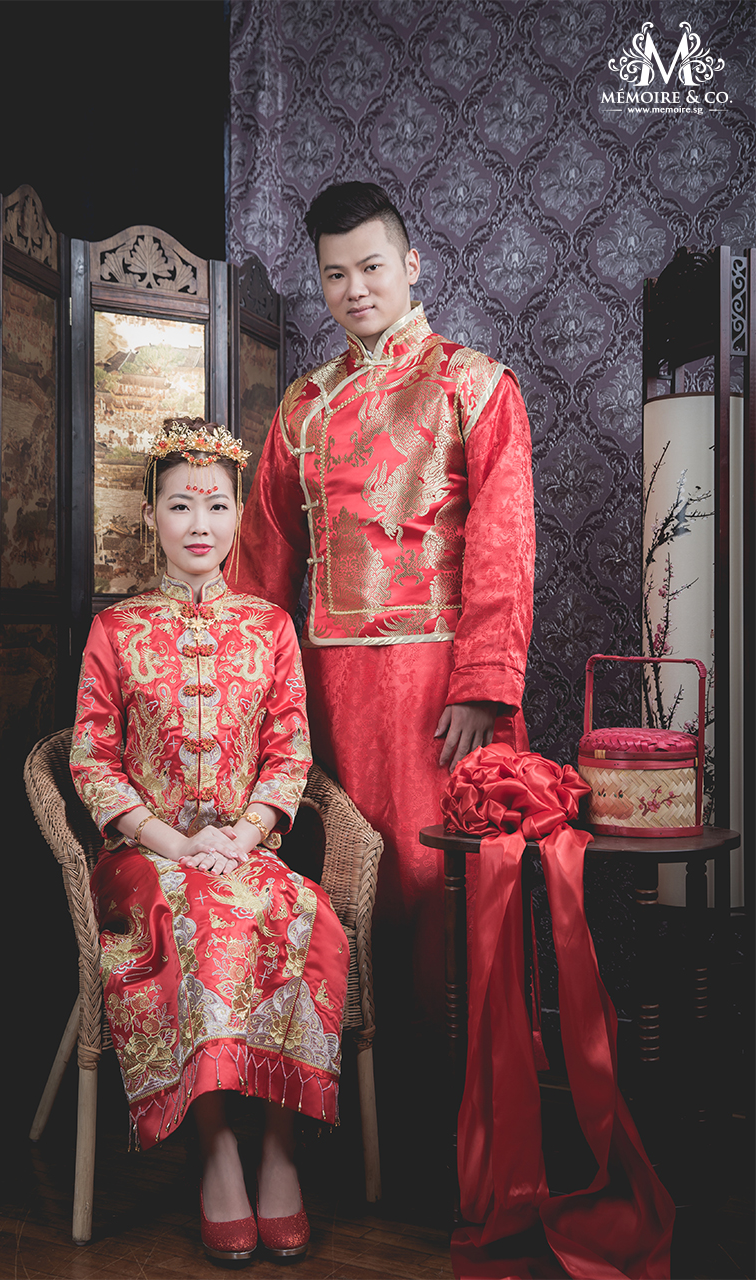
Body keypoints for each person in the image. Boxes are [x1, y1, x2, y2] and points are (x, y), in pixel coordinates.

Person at [228, 181, 535, 1033]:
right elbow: (260, 561)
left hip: (440, 688)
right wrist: (246, 695)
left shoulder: (474, 383)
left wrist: (481, 685)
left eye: (370, 267)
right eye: (334, 275)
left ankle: (455, 1075)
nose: (354, 289)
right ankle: (345, 1071)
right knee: (336, 871)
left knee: (438, 879)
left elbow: (504, 545)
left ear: (410, 264)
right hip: (325, 691)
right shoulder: (303, 405)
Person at [71, 418, 349, 1264]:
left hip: (246, 848)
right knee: (199, 914)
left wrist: (248, 831)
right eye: (180, 505)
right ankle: (218, 1142)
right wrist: (168, 840)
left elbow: (290, 752)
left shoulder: (269, 627)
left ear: (237, 518)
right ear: (149, 515)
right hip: (143, 859)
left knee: (300, 911)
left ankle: (280, 1145)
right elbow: (90, 757)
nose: (200, 524)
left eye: (217, 506)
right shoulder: (117, 629)